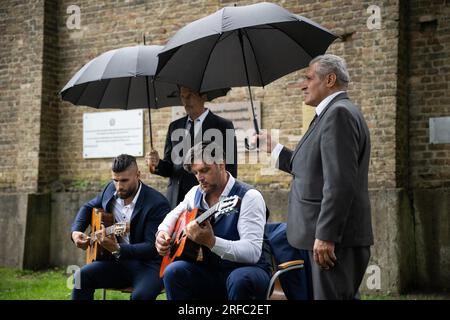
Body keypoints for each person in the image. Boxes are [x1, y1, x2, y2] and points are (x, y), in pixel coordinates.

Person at [255, 54, 373, 300]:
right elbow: (312, 169)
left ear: (330, 79)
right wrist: (273, 148)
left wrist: (326, 234)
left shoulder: (338, 114)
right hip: (325, 238)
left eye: (308, 78)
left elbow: (340, 182)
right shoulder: (329, 114)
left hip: (333, 241)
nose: (302, 85)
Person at [155, 141, 271, 300]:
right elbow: (174, 214)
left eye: (204, 170)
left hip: (247, 270)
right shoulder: (195, 192)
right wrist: (162, 233)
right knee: (173, 271)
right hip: (209, 271)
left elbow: (252, 252)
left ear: (221, 165)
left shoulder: (249, 197)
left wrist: (212, 242)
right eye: (196, 173)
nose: (199, 178)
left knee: (239, 279)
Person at [70, 154, 171, 300]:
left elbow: (152, 248)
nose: (119, 187)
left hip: (149, 266)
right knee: (80, 277)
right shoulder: (110, 190)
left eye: (124, 180)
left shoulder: (157, 204)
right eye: (115, 180)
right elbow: (87, 207)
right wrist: (76, 231)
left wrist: (117, 248)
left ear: (138, 175)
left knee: (141, 296)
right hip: (116, 263)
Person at [146, 86, 238, 209]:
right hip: (176, 199)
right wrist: (157, 163)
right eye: (182, 97)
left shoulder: (223, 125)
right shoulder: (174, 126)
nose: (185, 101)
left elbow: (230, 167)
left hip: (207, 198)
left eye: (189, 96)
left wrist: (223, 198)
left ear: (203, 96)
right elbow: (170, 168)